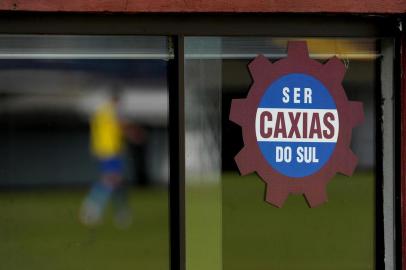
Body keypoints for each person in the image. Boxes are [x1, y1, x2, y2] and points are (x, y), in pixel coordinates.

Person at [79, 90, 142, 228]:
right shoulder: (112, 111)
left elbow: (101, 129)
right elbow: (121, 125)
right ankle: (92, 207)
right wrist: (134, 135)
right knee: (111, 180)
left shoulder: (101, 112)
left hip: (105, 150)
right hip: (110, 151)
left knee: (116, 182)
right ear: (116, 100)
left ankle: (120, 212)